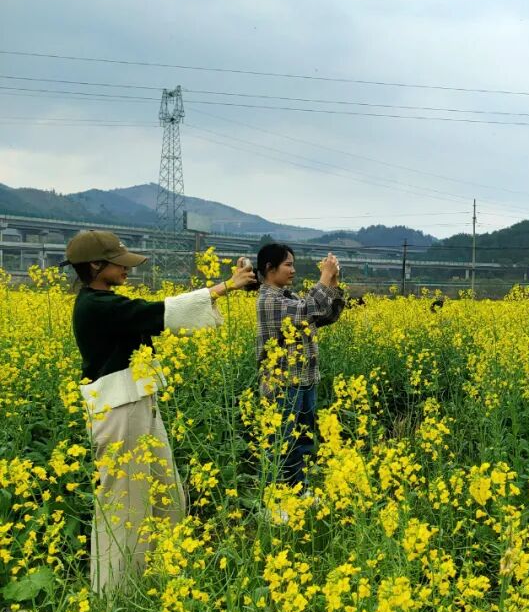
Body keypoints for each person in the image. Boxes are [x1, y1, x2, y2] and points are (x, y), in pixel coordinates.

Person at [64, 229, 256, 593]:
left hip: (139, 405)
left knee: (167, 495)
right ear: (94, 265)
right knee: (125, 506)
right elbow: (158, 312)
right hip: (118, 412)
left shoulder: (109, 302)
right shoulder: (96, 306)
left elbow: (154, 318)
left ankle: (160, 583)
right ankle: (114, 596)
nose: (127, 270)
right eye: (119, 263)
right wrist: (225, 287)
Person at [255, 244, 345, 488]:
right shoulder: (268, 300)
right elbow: (307, 310)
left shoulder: (289, 298)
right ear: (269, 268)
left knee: (303, 441)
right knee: (282, 442)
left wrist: (333, 283)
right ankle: (276, 498)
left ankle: (299, 490)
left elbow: (327, 315)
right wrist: (324, 276)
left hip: (305, 380)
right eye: (288, 264)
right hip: (282, 385)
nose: (293, 270)